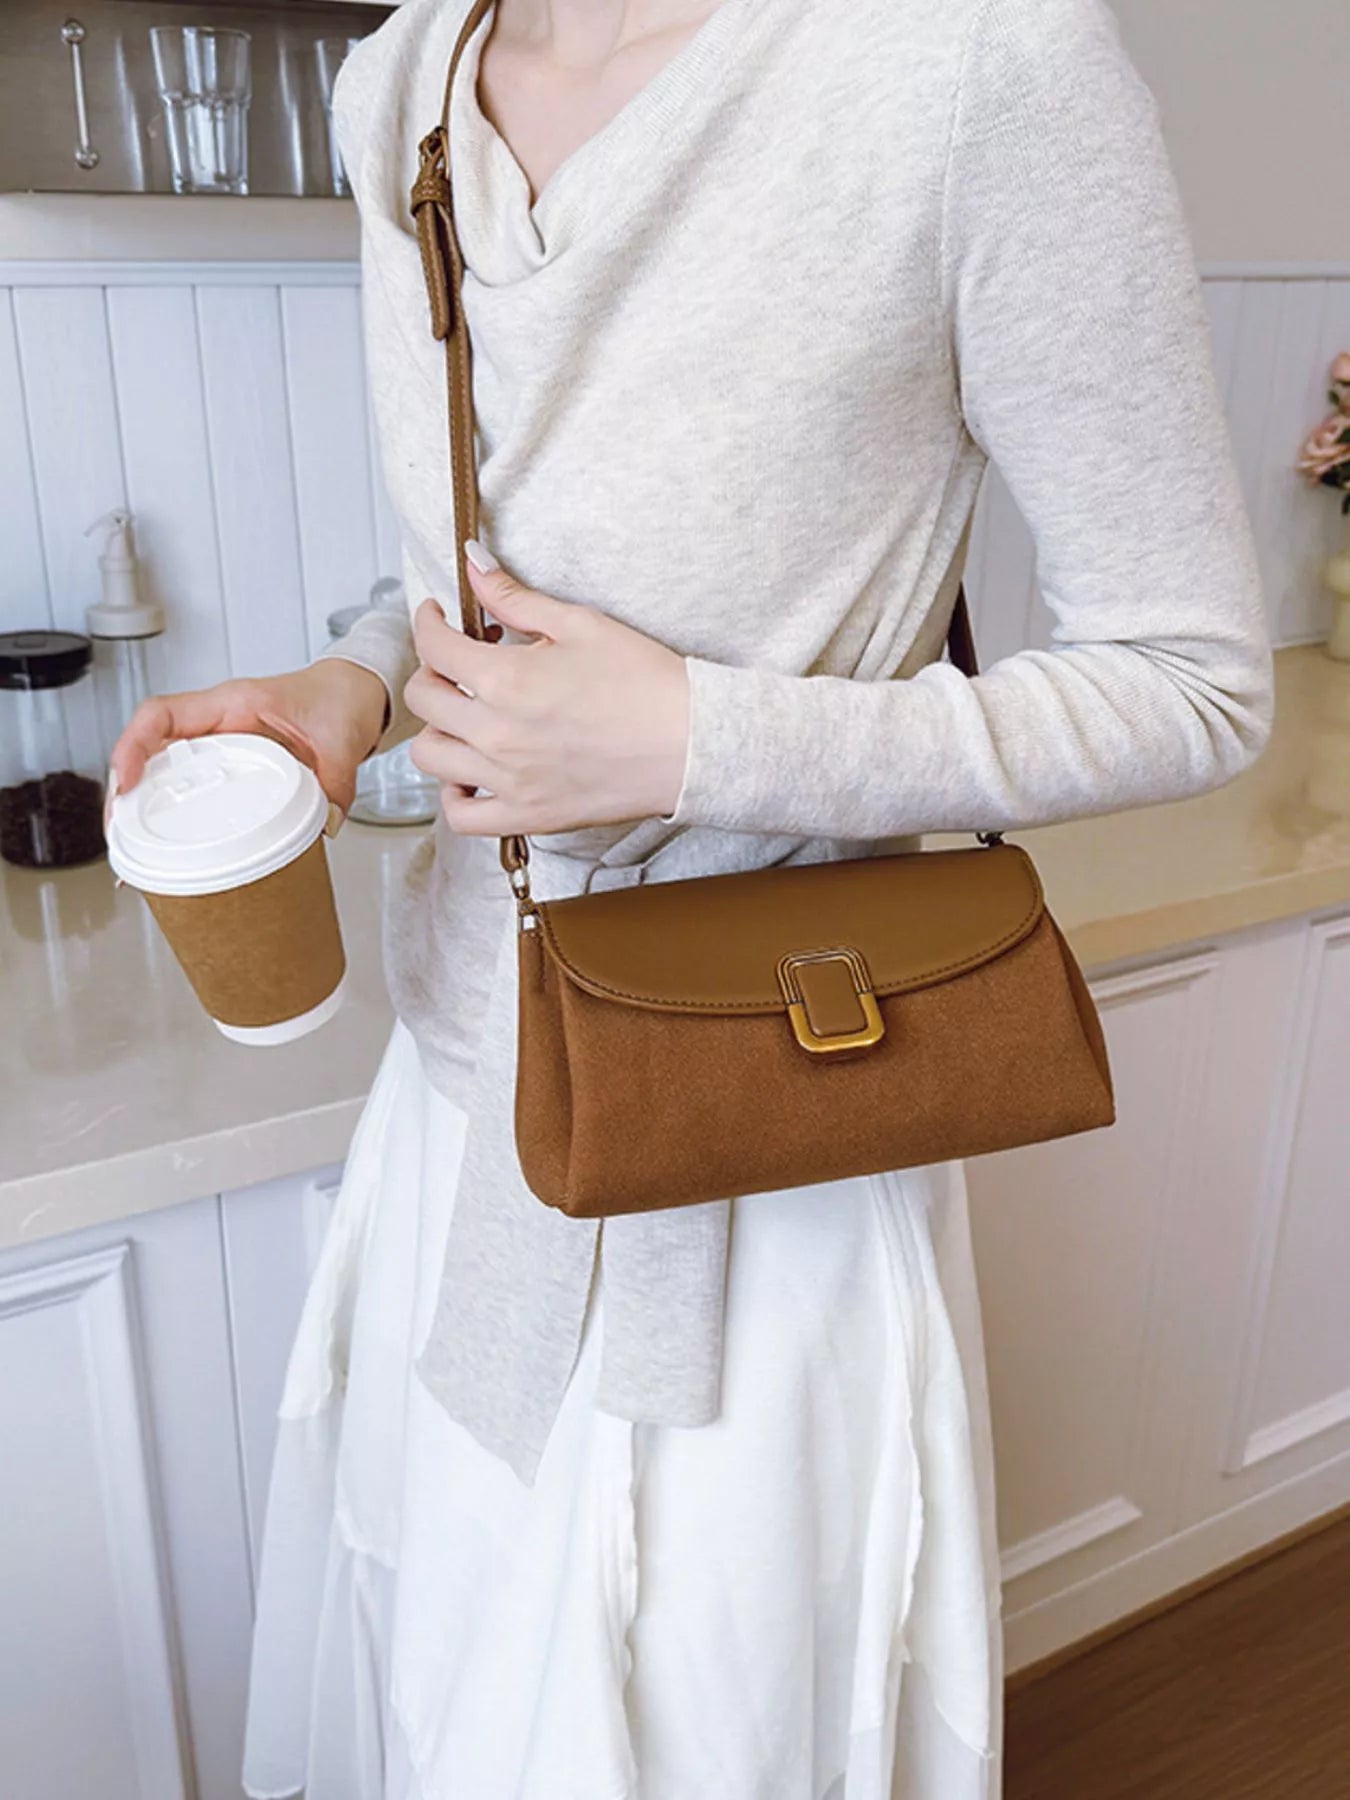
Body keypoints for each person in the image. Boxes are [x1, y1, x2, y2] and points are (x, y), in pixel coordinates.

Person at [110, 0, 1275, 1792]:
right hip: (465, 1110)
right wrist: (351, 693)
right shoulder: (398, 75)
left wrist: (696, 742)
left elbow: (1191, 682)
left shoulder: (978, 65)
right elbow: (484, 581)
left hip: (769, 1128)